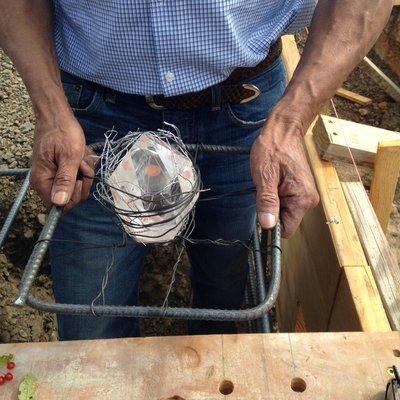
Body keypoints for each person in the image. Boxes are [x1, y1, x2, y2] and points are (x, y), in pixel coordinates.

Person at [0, 1, 392, 340]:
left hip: (246, 107)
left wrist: (290, 125)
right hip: (95, 117)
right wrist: (51, 111)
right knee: (90, 319)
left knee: (224, 282)